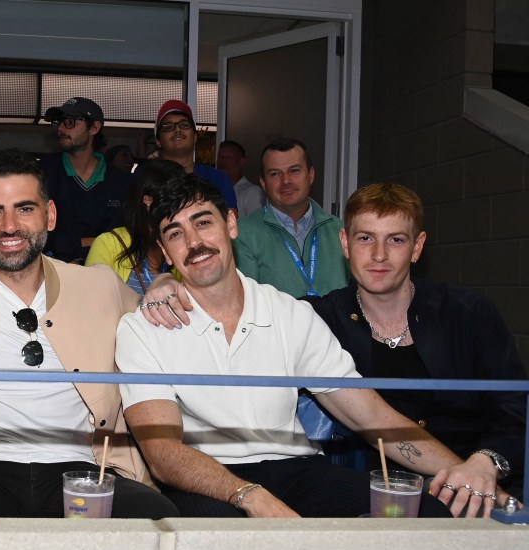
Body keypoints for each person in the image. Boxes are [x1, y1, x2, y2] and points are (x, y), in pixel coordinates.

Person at [118, 173, 505, 518]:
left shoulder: (291, 314)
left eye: (204, 222)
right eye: (175, 233)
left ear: (232, 224)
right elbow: (163, 454)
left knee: (430, 513)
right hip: (207, 477)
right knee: (225, 544)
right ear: (166, 252)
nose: (195, 242)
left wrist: (469, 477)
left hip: (298, 470)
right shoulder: (143, 330)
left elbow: (370, 417)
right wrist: (249, 495)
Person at [0, 149, 177, 519]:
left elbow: (161, 332)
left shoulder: (99, 286)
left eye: (25, 209)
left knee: (157, 519)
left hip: (83, 468)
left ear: (50, 216)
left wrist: (164, 281)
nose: (10, 226)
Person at [307, 182, 526, 500]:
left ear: (417, 246)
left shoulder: (468, 313)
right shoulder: (321, 318)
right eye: (365, 238)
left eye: (395, 240)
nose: (379, 255)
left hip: (486, 482)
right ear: (345, 243)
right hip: (375, 494)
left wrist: (487, 461)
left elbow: (514, 407)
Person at [233, 137, 348, 298]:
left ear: (311, 175)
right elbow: (247, 302)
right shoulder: (242, 234)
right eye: (275, 174)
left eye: (294, 171)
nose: (286, 181)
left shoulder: (341, 231)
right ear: (263, 183)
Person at [40, 97, 132, 263]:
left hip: (105, 272)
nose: (60, 128)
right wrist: (91, 241)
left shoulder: (121, 182)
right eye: (58, 122)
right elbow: (40, 232)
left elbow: (121, 238)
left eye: (69, 122)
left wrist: (70, 242)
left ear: (94, 128)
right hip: (54, 270)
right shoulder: (44, 172)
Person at [85, 160, 184, 298]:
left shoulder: (185, 246)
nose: (181, 210)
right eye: (174, 202)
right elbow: (91, 303)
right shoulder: (108, 244)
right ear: (148, 201)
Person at [151, 99, 237, 213]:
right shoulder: (144, 178)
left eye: (184, 125)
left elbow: (230, 221)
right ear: (158, 141)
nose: (177, 130)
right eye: (168, 127)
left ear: (195, 136)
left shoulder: (217, 179)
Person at [217, 139, 264, 218]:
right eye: (220, 157)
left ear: (242, 162)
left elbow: (255, 225)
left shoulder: (252, 192)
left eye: (228, 157)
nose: (223, 161)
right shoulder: (214, 190)